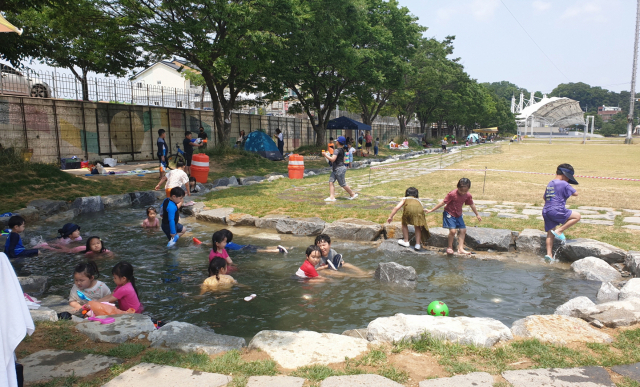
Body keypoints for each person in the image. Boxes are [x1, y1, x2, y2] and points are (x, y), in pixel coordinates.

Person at [426, 178, 482, 255]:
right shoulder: (452, 194)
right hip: (449, 213)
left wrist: (477, 214)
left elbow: (472, 204)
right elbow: (443, 203)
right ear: (457, 187)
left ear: (468, 189)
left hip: (458, 214)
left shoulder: (468, 195)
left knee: (463, 230)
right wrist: (431, 210)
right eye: (461, 191)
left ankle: (460, 249)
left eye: (465, 191)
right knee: (453, 231)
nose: (462, 193)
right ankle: (449, 247)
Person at [542, 164, 581, 261]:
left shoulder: (550, 183)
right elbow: (576, 193)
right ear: (565, 175)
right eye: (569, 178)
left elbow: (544, 197)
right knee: (577, 216)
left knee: (550, 234)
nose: (568, 180)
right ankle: (560, 230)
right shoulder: (564, 183)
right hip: (556, 209)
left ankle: (549, 255)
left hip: (546, 210)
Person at [322, 136, 358, 202]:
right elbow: (343, 159)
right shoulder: (342, 150)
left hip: (339, 169)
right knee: (331, 181)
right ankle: (332, 197)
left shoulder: (336, 150)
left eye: (336, 141)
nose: (336, 142)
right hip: (336, 169)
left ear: (338, 142)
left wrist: (325, 155)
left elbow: (333, 159)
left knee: (343, 184)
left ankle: (353, 194)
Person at [221, 229, 287, 254]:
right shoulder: (229, 243)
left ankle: (278, 251)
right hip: (246, 246)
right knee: (264, 247)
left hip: (244, 249)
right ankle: (287, 247)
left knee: (260, 250)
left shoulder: (224, 245)